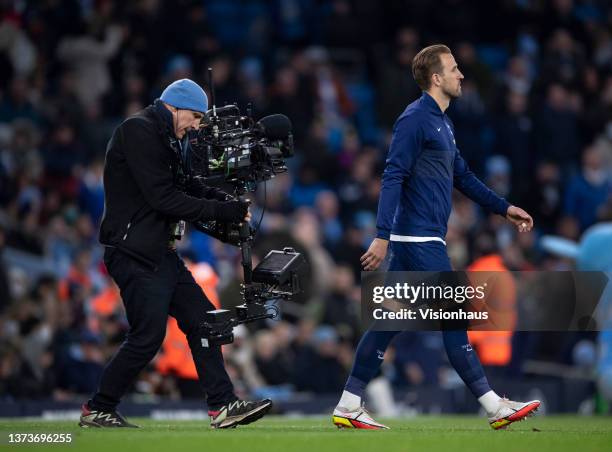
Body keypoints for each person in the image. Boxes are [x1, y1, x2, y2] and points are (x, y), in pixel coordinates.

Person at [331, 45, 540, 430]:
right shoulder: (414, 120)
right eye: (455, 69)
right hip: (418, 241)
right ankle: (494, 406)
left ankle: (348, 402)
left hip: (420, 239)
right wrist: (382, 236)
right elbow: (392, 175)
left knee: (389, 321)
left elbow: (463, 176)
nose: (462, 74)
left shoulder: (443, 123)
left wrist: (503, 207)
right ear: (436, 78)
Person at [79, 79, 272, 429]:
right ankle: (99, 407)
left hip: (160, 253)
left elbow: (187, 186)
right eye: (195, 117)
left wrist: (226, 202)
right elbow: (162, 198)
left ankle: (223, 405)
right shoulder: (137, 130)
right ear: (176, 107)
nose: (197, 126)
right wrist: (222, 213)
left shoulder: (171, 137)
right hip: (133, 253)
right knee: (147, 337)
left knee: (206, 321)